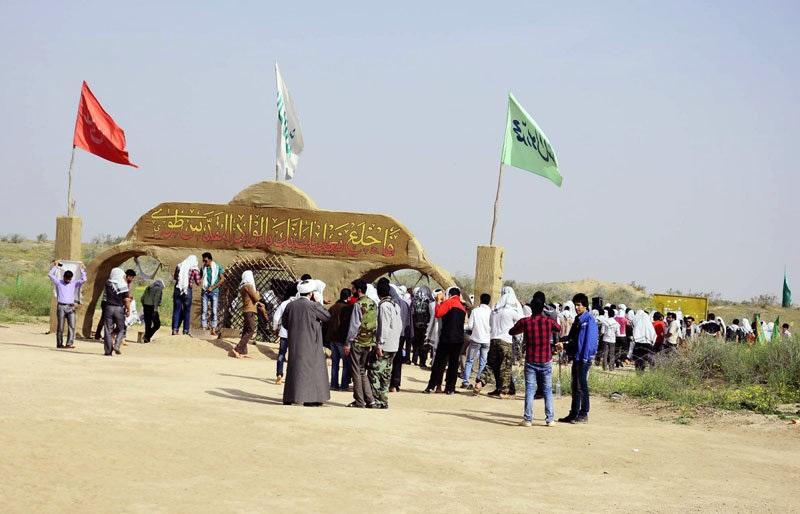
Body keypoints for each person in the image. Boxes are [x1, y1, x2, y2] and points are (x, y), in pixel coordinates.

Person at [510, 299, 560, 427]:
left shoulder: (525, 322)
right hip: (545, 360)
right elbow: (558, 328)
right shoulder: (548, 322)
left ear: (531, 308)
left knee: (530, 390)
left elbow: (512, 331)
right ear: (542, 309)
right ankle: (550, 419)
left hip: (531, 360)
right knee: (547, 390)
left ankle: (528, 419)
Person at [280, 280, 331, 406]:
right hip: (311, 343)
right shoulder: (313, 306)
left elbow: (285, 323)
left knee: (294, 369)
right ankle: (310, 398)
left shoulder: (290, 305)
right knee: (311, 370)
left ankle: (290, 397)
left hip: (294, 343)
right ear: (311, 293)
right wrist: (319, 303)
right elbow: (327, 316)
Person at [474, 286, 523, 398]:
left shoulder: (494, 312)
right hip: (506, 341)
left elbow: (491, 325)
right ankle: (503, 391)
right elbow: (520, 323)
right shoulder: (511, 312)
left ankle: (479, 383)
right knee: (505, 367)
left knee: (491, 365)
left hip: (494, 340)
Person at [556, 293, 598, 424]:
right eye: (575, 304)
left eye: (579, 305)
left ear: (585, 305)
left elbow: (590, 341)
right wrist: (562, 342)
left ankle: (584, 413)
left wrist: (586, 357)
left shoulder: (589, 320)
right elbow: (572, 338)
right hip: (577, 356)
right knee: (575, 386)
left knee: (582, 386)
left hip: (584, 358)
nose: (576, 307)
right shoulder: (578, 319)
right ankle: (573, 413)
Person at [424, 287, 467, 395]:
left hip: (447, 338)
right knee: (453, 365)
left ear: (450, 294)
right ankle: (450, 388)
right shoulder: (462, 307)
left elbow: (438, 313)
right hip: (458, 339)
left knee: (438, 363)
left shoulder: (449, 303)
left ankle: (431, 386)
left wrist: (438, 301)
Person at [369, 281, 402, 408]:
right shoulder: (395, 305)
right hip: (394, 344)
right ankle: (383, 400)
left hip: (385, 344)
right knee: (386, 373)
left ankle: (377, 400)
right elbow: (398, 326)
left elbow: (384, 326)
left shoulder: (383, 306)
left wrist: (379, 344)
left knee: (375, 372)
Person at [346, 279, 378, 408]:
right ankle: (370, 400)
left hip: (357, 342)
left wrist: (348, 342)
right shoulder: (373, 303)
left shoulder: (358, 305)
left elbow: (354, 326)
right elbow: (376, 323)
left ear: (358, 290)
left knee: (356, 372)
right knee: (362, 370)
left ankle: (359, 401)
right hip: (368, 342)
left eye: (353, 289)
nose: (352, 291)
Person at [48, 260, 87, 349]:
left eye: (69, 279)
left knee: (72, 326)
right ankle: (59, 344)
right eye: (66, 279)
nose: (68, 280)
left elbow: (84, 279)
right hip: (61, 306)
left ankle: (69, 343)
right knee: (60, 326)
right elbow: (50, 275)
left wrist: (82, 269)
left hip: (71, 307)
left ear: (71, 278)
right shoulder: (59, 282)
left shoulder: (74, 283)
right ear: (64, 277)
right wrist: (56, 266)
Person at [231, 271, 267, 358]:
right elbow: (256, 298)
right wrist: (258, 292)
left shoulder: (242, 286)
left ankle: (243, 352)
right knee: (251, 329)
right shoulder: (249, 286)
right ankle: (238, 348)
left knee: (246, 330)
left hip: (246, 310)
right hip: (250, 310)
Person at [95, 268, 136, 340]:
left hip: (109, 303)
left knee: (106, 319)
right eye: (132, 278)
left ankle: (103, 335)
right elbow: (124, 296)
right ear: (128, 276)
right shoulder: (118, 282)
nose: (132, 280)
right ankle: (104, 335)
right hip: (109, 303)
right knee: (109, 319)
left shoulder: (112, 281)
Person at [461, 293, 492, 389]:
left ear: (480, 300)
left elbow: (470, 326)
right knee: (483, 361)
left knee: (470, 360)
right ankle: (479, 381)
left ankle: (465, 381)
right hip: (486, 340)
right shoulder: (491, 312)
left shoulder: (475, 311)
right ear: (489, 301)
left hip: (475, 339)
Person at [272, 282, 298, 384]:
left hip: (284, 333)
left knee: (281, 354)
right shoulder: (299, 304)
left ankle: (279, 374)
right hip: (296, 334)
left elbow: (275, 318)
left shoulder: (284, 303)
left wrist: (275, 329)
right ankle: (291, 376)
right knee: (294, 355)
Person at [102, 268, 131, 356]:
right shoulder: (124, 285)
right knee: (121, 329)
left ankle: (108, 351)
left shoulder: (107, 283)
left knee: (108, 330)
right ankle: (117, 345)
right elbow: (126, 299)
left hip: (108, 308)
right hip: (119, 308)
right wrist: (128, 309)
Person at [326, 288, 351, 390]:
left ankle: (334, 384)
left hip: (332, 339)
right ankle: (344, 385)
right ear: (349, 297)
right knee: (345, 364)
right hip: (342, 340)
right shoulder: (348, 309)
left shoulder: (332, 307)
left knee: (335, 363)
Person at [172, 255, 201, 336]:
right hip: (187, 290)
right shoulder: (194, 269)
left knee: (176, 310)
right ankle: (185, 331)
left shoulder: (179, 266)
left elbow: (175, 277)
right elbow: (198, 282)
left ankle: (175, 330)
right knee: (187, 311)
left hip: (177, 289)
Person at [200, 252, 225, 336]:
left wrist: (213, 287)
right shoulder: (203, 268)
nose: (204, 262)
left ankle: (213, 329)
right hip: (205, 291)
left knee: (214, 311)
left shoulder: (218, 267)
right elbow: (200, 277)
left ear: (210, 260)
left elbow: (222, 279)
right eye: (203, 260)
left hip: (214, 292)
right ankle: (204, 329)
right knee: (204, 310)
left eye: (205, 260)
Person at [411, 286, 434, 367]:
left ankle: (414, 360)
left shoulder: (414, 301)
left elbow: (412, 314)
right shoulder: (430, 302)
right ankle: (422, 362)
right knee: (424, 344)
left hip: (415, 325)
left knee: (416, 344)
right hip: (425, 327)